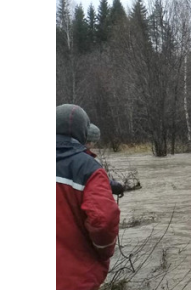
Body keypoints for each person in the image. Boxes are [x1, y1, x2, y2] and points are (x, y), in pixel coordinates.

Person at [57, 104, 121, 290]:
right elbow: (104, 219)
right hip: (73, 279)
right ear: (82, 133)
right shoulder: (88, 168)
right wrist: (104, 251)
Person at [86, 123, 125, 197]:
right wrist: (116, 186)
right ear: (90, 142)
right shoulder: (87, 161)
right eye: (95, 142)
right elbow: (98, 181)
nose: (94, 144)